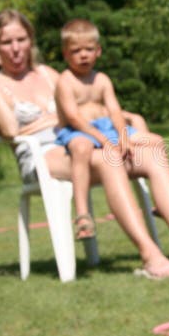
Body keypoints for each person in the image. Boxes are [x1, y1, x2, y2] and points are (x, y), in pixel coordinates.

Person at [0, 9, 169, 279]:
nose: (16, 49)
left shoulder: (48, 74)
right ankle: (150, 255)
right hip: (42, 155)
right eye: (6, 42)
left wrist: (119, 127)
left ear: (30, 40)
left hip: (83, 142)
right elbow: (10, 129)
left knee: (153, 152)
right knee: (109, 160)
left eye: (22, 39)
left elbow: (85, 106)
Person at [52, 19, 137, 240]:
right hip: (77, 130)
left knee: (150, 140)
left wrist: (123, 136)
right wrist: (104, 140)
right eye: (76, 50)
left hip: (106, 127)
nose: (83, 55)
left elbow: (115, 111)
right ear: (65, 54)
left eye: (89, 49)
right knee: (81, 147)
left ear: (98, 51)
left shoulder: (102, 80)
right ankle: (82, 214)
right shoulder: (65, 81)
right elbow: (73, 118)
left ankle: (157, 201)